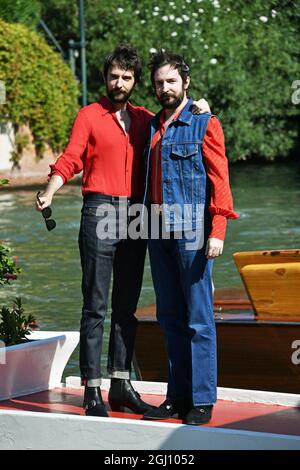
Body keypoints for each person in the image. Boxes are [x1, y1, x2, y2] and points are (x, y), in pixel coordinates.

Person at [36, 44, 211, 418]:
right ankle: (92, 389)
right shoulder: (89, 115)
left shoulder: (146, 119)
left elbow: (180, 114)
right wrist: (50, 190)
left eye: (127, 77)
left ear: (134, 82)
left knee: (126, 307)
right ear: (106, 78)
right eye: (114, 76)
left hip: (137, 212)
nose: (120, 82)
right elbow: (71, 157)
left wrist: (202, 107)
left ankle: (120, 383)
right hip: (99, 208)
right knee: (95, 304)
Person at [142, 51, 238, 425]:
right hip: (155, 230)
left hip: (193, 231)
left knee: (199, 318)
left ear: (185, 83)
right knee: (169, 317)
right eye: (158, 83)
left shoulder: (205, 123)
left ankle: (201, 399)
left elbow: (220, 180)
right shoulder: (150, 126)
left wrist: (218, 230)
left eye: (170, 81)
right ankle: (176, 396)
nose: (164, 88)